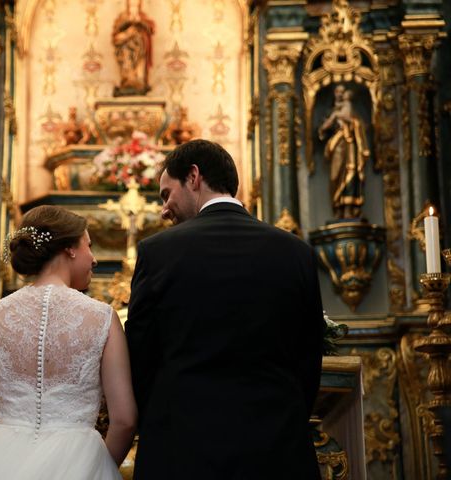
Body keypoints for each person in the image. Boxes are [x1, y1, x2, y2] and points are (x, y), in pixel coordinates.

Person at [126, 139, 325, 479]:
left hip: (182, 449)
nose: (164, 209)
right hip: (276, 449)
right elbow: (309, 356)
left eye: (166, 194)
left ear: (193, 177)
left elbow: (140, 356)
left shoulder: (157, 252)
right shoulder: (295, 252)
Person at [0, 205, 137, 479]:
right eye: (88, 246)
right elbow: (125, 419)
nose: (93, 259)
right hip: (78, 461)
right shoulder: (102, 317)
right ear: (70, 248)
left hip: (0, 460)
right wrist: (96, 467)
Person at [318, 85, 370, 219]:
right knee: (335, 176)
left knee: (351, 171)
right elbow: (321, 130)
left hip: (350, 144)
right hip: (337, 146)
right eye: (338, 92)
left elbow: (361, 125)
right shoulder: (330, 111)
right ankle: (337, 207)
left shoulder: (349, 108)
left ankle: (348, 208)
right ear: (334, 93)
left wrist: (350, 121)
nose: (340, 94)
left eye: (342, 92)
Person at [112, 0, 155, 96]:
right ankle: (128, 80)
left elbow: (151, 28)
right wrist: (128, 24)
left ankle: (139, 81)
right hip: (125, 51)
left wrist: (140, 22)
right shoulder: (122, 17)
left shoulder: (143, 17)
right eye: (131, 4)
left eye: (136, 4)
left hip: (140, 51)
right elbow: (116, 34)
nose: (133, 7)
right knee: (127, 67)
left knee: (139, 69)